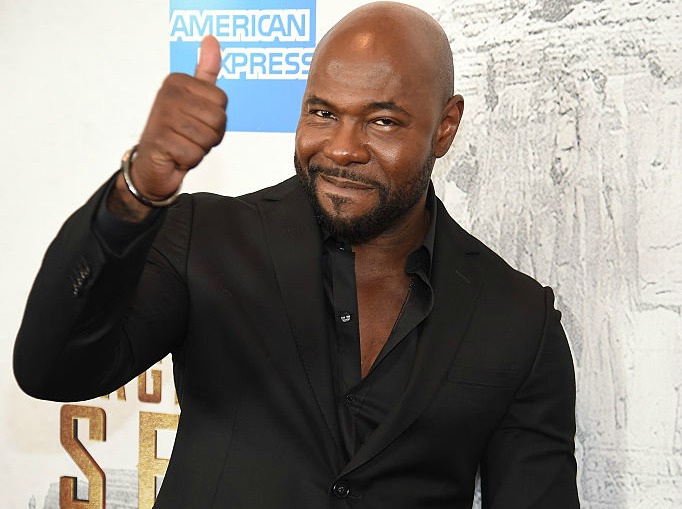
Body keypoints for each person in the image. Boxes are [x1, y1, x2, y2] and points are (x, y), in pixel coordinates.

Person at [14, 2, 579, 507]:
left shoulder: (518, 318)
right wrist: (137, 191)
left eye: (382, 121)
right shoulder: (205, 237)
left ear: (445, 127)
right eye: (322, 113)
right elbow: (52, 369)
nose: (341, 148)